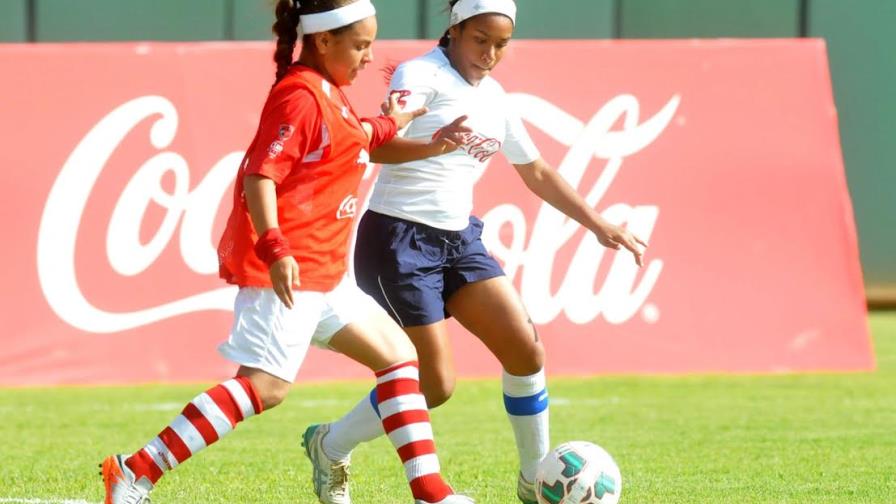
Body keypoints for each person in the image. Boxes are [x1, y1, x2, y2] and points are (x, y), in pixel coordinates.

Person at [99, 1, 475, 503]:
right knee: (266, 388)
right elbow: (260, 174)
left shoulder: (329, 92)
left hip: (327, 275)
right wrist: (275, 248)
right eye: (361, 45)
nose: (368, 57)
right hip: (290, 274)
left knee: (400, 358)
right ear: (323, 41)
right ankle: (135, 470)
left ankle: (430, 491)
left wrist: (405, 128)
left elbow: (355, 136)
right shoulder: (298, 95)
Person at [302, 0, 648, 503]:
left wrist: (596, 223)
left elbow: (536, 172)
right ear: (456, 30)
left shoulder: (498, 100)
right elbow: (373, 144)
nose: (489, 53)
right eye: (480, 40)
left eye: (501, 44)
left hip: (460, 240)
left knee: (525, 351)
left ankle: (535, 482)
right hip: (398, 241)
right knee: (435, 385)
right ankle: (330, 445)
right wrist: (437, 145)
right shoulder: (421, 74)